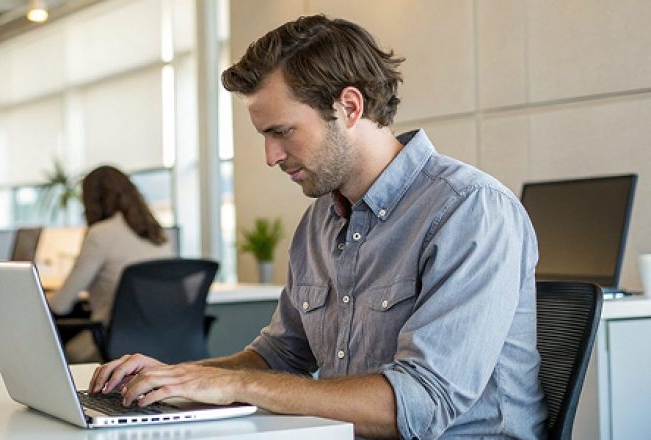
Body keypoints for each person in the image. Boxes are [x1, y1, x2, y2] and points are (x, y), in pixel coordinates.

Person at [87, 15, 546, 439]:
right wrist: (176, 376)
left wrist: (230, 384)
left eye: (282, 132)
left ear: (348, 106)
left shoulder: (470, 210)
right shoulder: (320, 221)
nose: (271, 156)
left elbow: (420, 404)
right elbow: (279, 357)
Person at [47, 165, 173, 362]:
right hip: (164, 340)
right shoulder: (157, 233)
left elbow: (61, 305)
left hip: (114, 343)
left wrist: (44, 296)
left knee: (61, 350)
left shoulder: (100, 234)